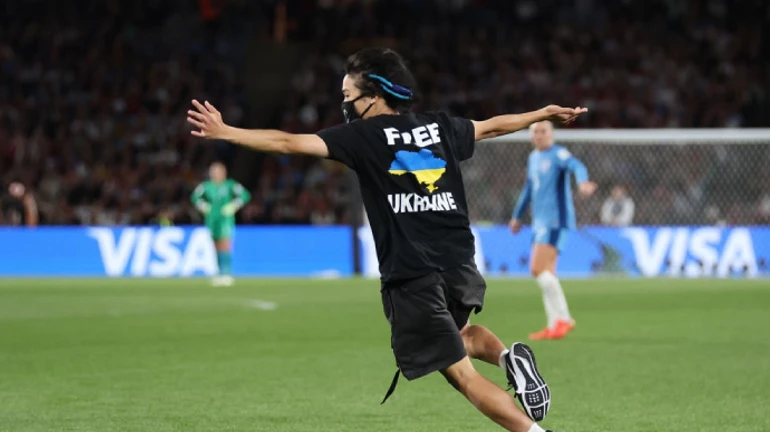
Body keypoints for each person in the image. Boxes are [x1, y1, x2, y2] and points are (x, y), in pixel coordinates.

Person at [187, 47, 588, 432]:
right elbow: (492, 126)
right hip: (459, 263)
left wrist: (226, 132)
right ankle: (507, 358)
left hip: (413, 272)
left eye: (347, 95)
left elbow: (289, 142)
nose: (344, 104)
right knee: (459, 337)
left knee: (460, 375)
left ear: (374, 96)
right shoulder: (439, 125)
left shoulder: (362, 136)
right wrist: (543, 113)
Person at [509, 121, 596, 341]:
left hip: (556, 221)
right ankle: (553, 324)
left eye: (543, 131)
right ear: (531, 136)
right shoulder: (533, 158)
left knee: (537, 269)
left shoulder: (558, 154)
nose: (539, 135)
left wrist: (582, 182)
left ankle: (564, 319)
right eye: (535, 132)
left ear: (552, 134)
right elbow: (528, 189)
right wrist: (517, 216)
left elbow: (577, 165)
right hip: (540, 222)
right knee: (546, 273)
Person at [190, 162, 252, 286]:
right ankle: (219, 273)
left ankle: (227, 274)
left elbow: (245, 195)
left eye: (217, 171)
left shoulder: (230, 185)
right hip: (212, 219)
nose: (215, 174)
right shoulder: (206, 186)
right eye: (213, 171)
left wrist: (234, 205)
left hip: (226, 219)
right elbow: (195, 197)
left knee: (225, 245)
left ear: (224, 173)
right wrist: (203, 206)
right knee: (216, 247)